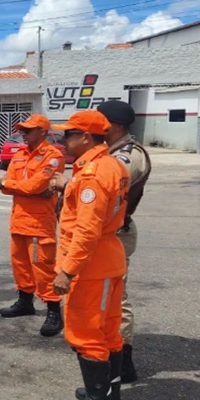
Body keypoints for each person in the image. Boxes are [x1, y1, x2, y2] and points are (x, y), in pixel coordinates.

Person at [49, 110, 130, 400]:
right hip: (106, 259)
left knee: (88, 336)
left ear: (85, 137)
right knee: (108, 331)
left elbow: (87, 229)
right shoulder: (110, 165)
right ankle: (109, 392)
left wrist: (67, 271)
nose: (63, 139)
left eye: (68, 134)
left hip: (91, 266)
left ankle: (100, 395)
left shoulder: (93, 174)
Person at [98, 100, 151, 384]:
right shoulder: (111, 152)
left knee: (117, 298)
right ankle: (111, 355)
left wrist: (66, 185)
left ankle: (123, 362)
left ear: (115, 126)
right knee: (105, 297)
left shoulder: (128, 156)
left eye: (101, 122)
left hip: (117, 234)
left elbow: (105, 189)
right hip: (107, 232)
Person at [0, 114, 65, 337]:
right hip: (18, 220)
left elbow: (35, 186)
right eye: (22, 130)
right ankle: (25, 302)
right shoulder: (19, 154)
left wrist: (12, 184)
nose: (23, 134)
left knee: (43, 269)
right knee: (20, 265)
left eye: (28, 130)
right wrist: (15, 185)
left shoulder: (53, 156)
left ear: (43, 132)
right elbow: (8, 185)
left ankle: (54, 310)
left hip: (39, 223)